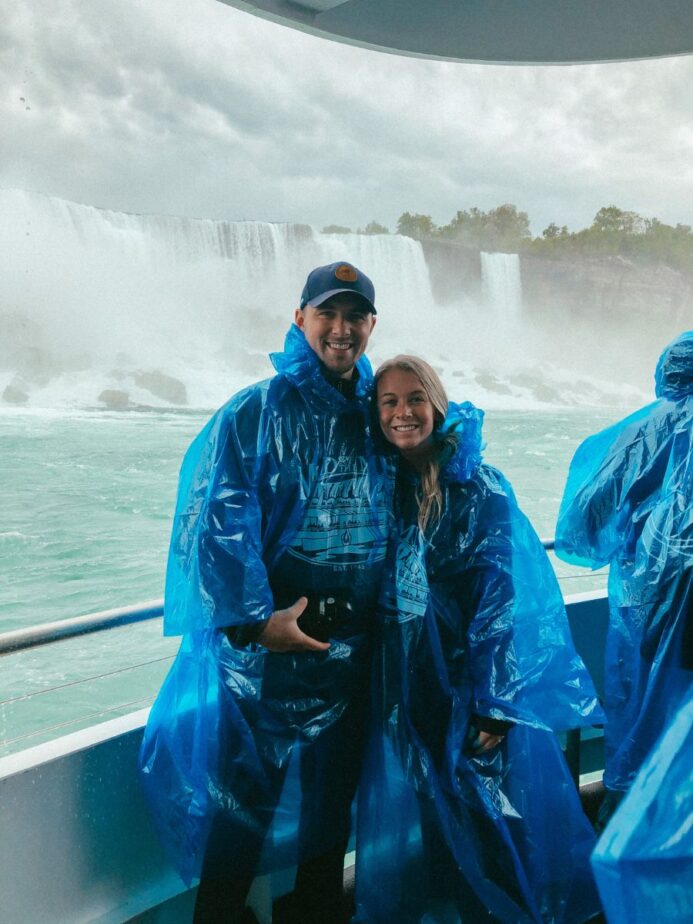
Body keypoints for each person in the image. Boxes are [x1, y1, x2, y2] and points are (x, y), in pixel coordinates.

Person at [139, 261, 391, 923]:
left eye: (353, 315)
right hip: (271, 652)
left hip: (354, 644)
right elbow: (214, 520)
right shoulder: (255, 410)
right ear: (299, 317)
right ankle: (219, 915)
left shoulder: (380, 411)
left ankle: (312, 909)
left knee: (332, 799)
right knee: (244, 800)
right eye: (326, 313)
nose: (339, 329)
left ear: (370, 325)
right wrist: (253, 623)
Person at [355, 356, 605, 924]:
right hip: (408, 683)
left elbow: (501, 600)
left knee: (489, 813)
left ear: (437, 403)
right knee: (432, 807)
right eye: (388, 402)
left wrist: (495, 704)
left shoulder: (478, 486)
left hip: (469, 684)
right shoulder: (384, 481)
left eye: (415, 398)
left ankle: (502, 912)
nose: (402, 413)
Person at [555, 330, 693, 829]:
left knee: (642, 738)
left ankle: (631, 864)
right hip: (669, 624)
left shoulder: (640, 433)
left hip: (649, 622)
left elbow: (578, 535)